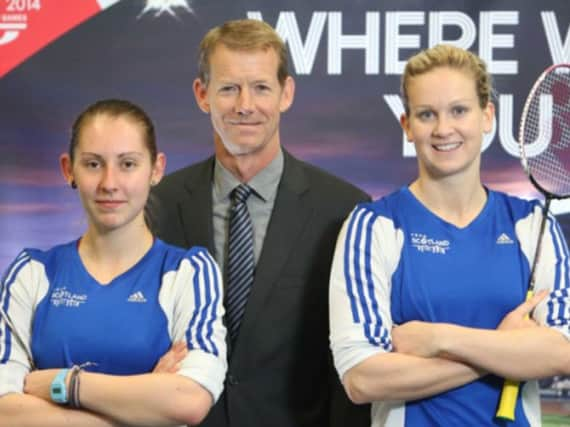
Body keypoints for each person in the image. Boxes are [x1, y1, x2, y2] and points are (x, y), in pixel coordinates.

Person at [329, 44, 570, 426]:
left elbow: (562, 352)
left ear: (487, 116)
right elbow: (361, 377)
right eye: (427, 114)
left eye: (459, 110)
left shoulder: (531, 225)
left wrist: (441, 338)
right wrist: (504, 347)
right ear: (407, 126)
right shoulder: (373, 226)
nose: (444, 129)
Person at [153, 19, 371, 427]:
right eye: (229, 88)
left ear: (286, 93)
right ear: (203, 95)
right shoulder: (157, 207)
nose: (245, 105)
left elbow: (348, 361)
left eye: (261, 87)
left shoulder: (345, 209)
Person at [0, 99, 227, 426]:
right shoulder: (32, 272)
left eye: (128, 164)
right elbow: (6, 412)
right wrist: (143, 405)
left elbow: (189, 400)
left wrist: (63, 384)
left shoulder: (189, 272)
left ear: (157, 169)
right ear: (68, 169)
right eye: (93, 164)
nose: (109, 183)